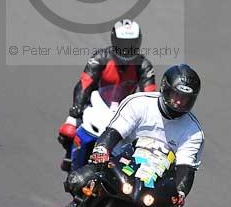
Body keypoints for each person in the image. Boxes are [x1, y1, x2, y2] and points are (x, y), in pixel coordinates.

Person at [58, 63, 204, 207]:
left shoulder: (193, 131)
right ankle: (76, 206)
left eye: (185, 99)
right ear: (165, 89)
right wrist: (102, 149)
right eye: (176, 95)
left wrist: (180, 193)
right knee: (77, 180)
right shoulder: (139, 102)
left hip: (157, 178)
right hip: (120, 161)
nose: (179, 102)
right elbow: (114, 131)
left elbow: (186, 168)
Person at [57, 19, 156, 154]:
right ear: (114, 41)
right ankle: (70, 155)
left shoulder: (143, 65)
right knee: (68, 131)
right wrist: (77, 108)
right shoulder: (101, 57)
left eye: (131, 44)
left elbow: (149, 94)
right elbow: (84, 83)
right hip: (96, 105)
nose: (127, 50)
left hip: (125, 111)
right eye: (123, 44)